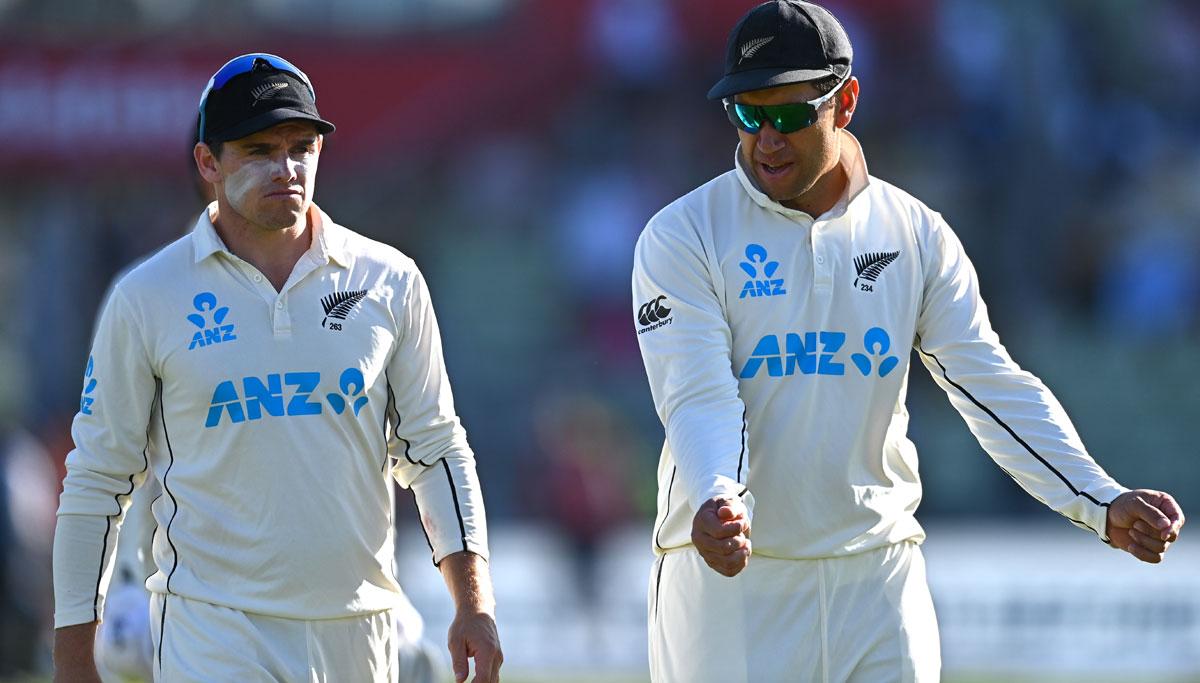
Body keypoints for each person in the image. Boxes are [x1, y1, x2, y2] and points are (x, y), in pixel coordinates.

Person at [631, 3, 1185, 682]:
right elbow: (701, 396)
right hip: (733, 581)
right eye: (749, 114)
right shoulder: (682, 235)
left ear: (847, 101)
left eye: (792, 114)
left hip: (879, 577)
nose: (767, 139)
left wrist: (1097, 498)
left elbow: (989, 385)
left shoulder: (915, 234)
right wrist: (720, 495)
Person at [52, 53, 502, 682]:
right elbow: (98, 480)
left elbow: (436, 449)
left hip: (361, 630)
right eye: (259, 150)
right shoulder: (146, 297)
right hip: (212, 629)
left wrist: (473, 605)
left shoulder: (389, 281)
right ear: (209, 163)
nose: (286, 168)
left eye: (301, 146)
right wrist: (74, 654)